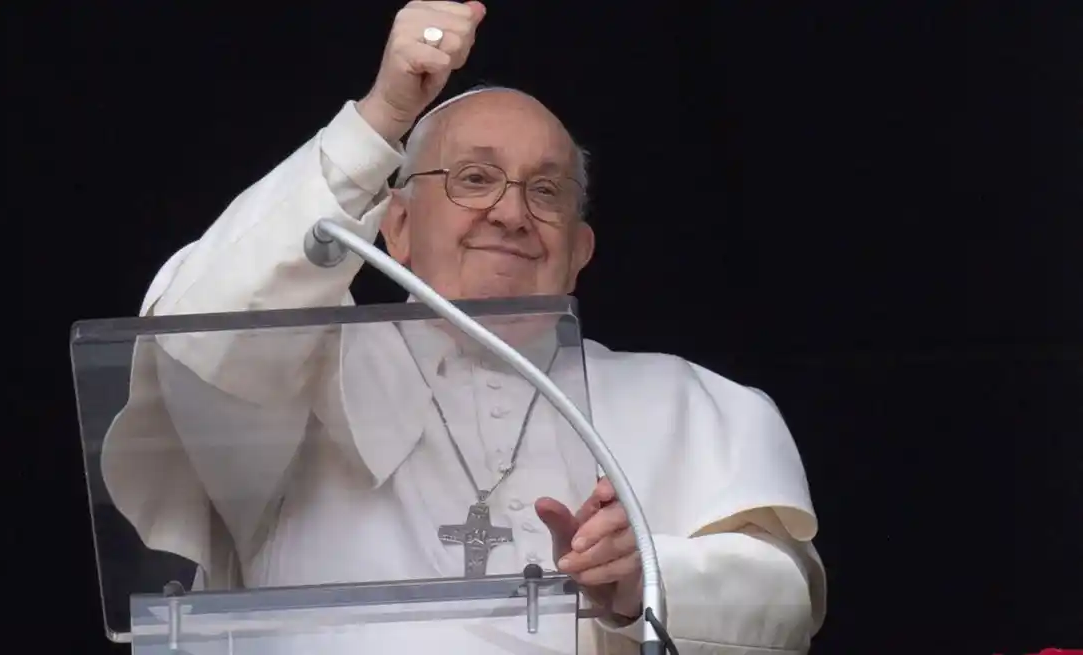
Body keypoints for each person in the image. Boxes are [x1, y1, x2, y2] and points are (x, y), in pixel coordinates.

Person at [99, 2, 826, 653]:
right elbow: (197, 333)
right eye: (473, 179)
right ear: (399, 228)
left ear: (579, 253)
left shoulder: (680, 399)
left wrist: (649, 578)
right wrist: (381, 116)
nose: (511, 214)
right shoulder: (299, 373)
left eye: (545, 191)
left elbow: (783, 597)